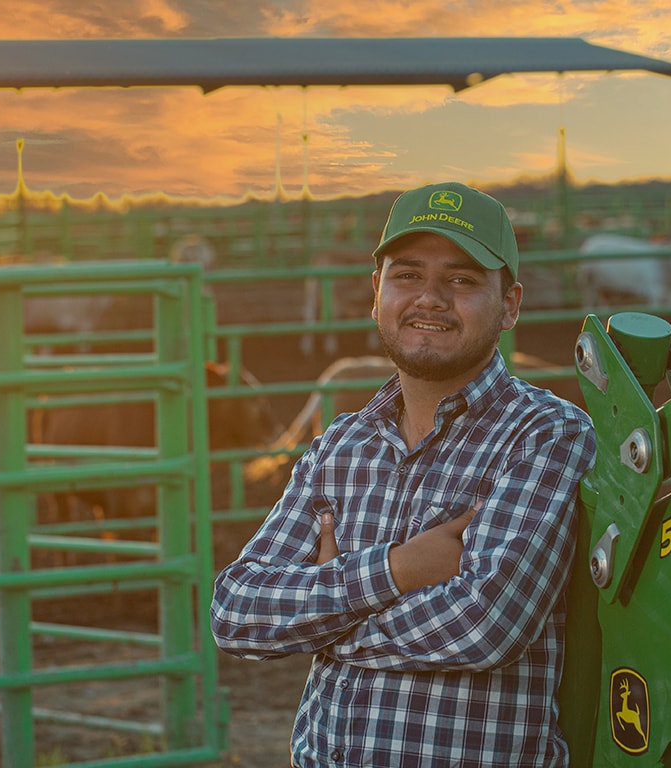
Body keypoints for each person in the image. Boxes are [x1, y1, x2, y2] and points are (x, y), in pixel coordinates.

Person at [210, 181, 597, 767]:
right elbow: (236, 612)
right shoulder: (339, 447)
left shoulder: (544, 435)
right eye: (408, 275)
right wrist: (397, 570)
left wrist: (325, 620)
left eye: (462, 280)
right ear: (377, 293)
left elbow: (484, 625)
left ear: (511, 304)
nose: (430, 299)